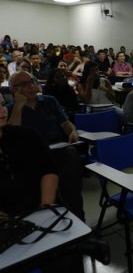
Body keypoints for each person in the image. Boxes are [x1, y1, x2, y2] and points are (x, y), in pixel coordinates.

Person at [7, 71, 84, 221]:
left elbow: (66, 124)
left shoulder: (49, 101)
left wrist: (72, 132)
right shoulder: (9, 110)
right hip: (30, 157)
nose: (30, 86)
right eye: (24, 84)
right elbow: (11, 139)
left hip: (57, 149)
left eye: (31, 81)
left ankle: (79, 222)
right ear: (13, 90)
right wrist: (18, 106)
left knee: (70, 157)